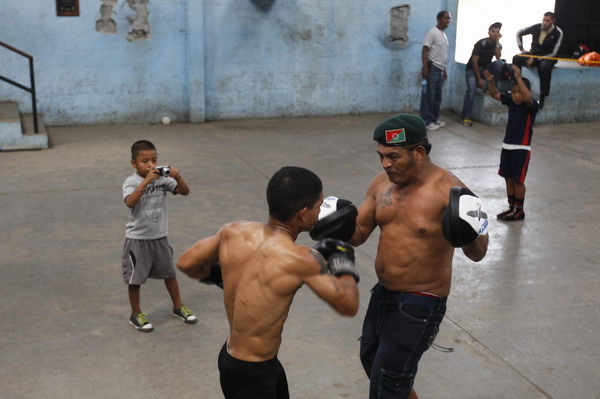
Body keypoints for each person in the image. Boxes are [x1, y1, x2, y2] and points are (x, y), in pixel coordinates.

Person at [176, 166, 359, 399]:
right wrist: (343, 258)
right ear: (302, 213)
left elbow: (186, 263)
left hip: (236, 359)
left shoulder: (233, 232)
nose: (321, 210)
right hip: (254, 374)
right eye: (318, 205)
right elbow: (348, 304)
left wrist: (224, 277)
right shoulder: (299, 258)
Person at [344, 114, 489, 399]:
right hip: (384, 294)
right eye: (381, 156)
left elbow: (479, 252)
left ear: (419, 153)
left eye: (393, 156)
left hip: (420, 302)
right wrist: (334, 224)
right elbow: (358, 232)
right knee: (374, 362)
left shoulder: (452, 192)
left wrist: (466, 231)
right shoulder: (380, 184)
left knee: (389, 380)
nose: (386, 164)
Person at [122, 140, 196, 332]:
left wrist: (178, 178)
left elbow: (185, 191)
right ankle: (135, 313)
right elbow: (130, 202)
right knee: (135, 279)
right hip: (137, 239)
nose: (150, 165)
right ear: (133, 163)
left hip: (160, 236)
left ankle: (178, 307)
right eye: (144, 161)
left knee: (169, 274)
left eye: (154, 160)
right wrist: (146, 181)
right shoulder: (131, 182)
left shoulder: (162, 179)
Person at [484, 66, 539, 221]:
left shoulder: (531, 106)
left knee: (518, 181)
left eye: (519, 92)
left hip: (521, 149)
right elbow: (494, 93)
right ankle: (511, 208)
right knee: (508, 178)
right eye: (513, 92)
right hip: (507, 146)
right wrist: (490, 82)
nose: (516, 95)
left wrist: (518, 77)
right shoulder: (511, 102)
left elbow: (527, 97)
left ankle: (519, 211)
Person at [514, 12, 563, 109]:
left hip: (549, 57)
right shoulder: (537, 27)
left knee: (544, 67)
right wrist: (522, 49)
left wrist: (535, 59)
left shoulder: (558, 32)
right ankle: (515, 87)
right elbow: (519, 33)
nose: (544, 23)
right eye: (543, 20)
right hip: (533, 54)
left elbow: (554, 53)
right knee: (517, 58)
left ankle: (542, 96)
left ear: (553, 21)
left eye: (547, 21)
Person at [460, 22, 505, 127]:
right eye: (493, 31)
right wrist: (479, 79)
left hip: (485, 69)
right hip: (472, 69)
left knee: (499, 63)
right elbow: (474, 62)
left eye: (497, 32)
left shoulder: (497, 45)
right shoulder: (481, 43)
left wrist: (498, 41)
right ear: (488, 32)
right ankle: (466, 117)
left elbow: (498, 57)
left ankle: (492, 87)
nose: (494, 34)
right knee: (471, 89)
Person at [420, 11, 451, 131]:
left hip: (440, 70)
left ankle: (434, 118)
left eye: (449, 18)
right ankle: (426, 121)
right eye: (446, 18)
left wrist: (445, 70)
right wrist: (425, 68)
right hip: (432, 68)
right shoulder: (432, 32)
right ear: (438, 19)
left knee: (438, 96)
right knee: (429, 96)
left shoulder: (443, 34)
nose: (448, 20)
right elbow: (424, 51)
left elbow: (443, 54)